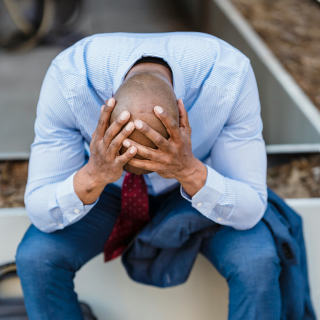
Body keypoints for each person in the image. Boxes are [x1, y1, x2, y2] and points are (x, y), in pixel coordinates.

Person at [16, 32, 280, 319]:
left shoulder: (229, 76)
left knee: (257, 261)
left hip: (192, 186)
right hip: (107, 189)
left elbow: (252, 207)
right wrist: (95, 174)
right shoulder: (69, 79)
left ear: (182, 119)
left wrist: (187, 168)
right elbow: (41, 210)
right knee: (36, 258)